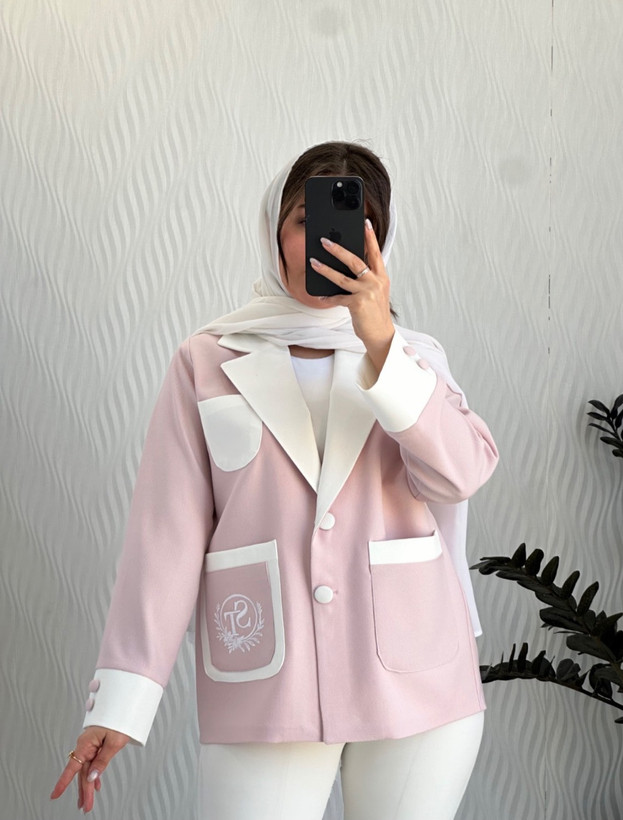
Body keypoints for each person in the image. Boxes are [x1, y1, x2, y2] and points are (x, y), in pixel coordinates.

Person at [51, 141, 498, 819]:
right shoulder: (206, 358)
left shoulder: (414, 359)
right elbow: (165, 540)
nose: (328, 242)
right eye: (306, 221)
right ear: (273, 229)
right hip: (268, 678)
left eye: (356, 225)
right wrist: (120, 701)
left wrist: (381, 344)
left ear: (380, 242)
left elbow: (461, 474)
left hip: (416, 677)